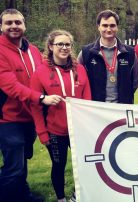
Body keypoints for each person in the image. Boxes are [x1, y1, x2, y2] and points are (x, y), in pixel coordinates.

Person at [0, 9, 62, 202]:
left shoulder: (33, 50)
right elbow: (11, 86)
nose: (14, 26)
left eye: (17, 22)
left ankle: (22, 193)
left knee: (22, 159)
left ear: (24, 25)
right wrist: (41, 97)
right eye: (8, 23)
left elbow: (48, 71)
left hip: (31, 116)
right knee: (14, 165)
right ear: (1, 26)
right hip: (8, 118)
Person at [30, 30, 91, 202]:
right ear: (50, 46)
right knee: (59, 165)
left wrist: (87, 127)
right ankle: (60, 198)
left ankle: (77, 196)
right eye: (60, 44)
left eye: (67, 44)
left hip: (79, 131)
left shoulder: (80, 69)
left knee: (85, 165)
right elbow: (35, 105)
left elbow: (88, 99)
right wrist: (42, 133)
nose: (64, 48)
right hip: (55, 131)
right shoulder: (40, 72)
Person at [78, 9, 138, 104]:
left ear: (117, 27)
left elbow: (135, 81)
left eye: (112, 25)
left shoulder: (130, 53)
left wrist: (125, 96)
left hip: (122, 108)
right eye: (105, 25)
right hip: (95, 108)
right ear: (98, 27)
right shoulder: (86, 53)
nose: (109, 29)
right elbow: (78, 80)